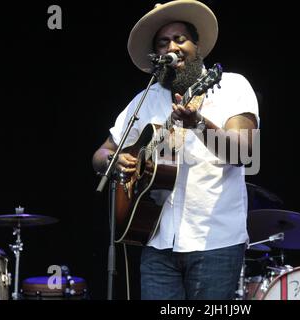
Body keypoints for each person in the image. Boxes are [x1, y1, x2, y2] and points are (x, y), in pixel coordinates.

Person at [92, 0, 259, 300]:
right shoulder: (145, 100)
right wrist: (115, 164)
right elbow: (102, 154)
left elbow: (243, 152)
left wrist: (198, 123)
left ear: (198, 47)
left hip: (215, 242)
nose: (172, 47)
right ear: (156, 55)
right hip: (156, 241)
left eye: (180, 39)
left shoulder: (232, 87)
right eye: (163, 42)